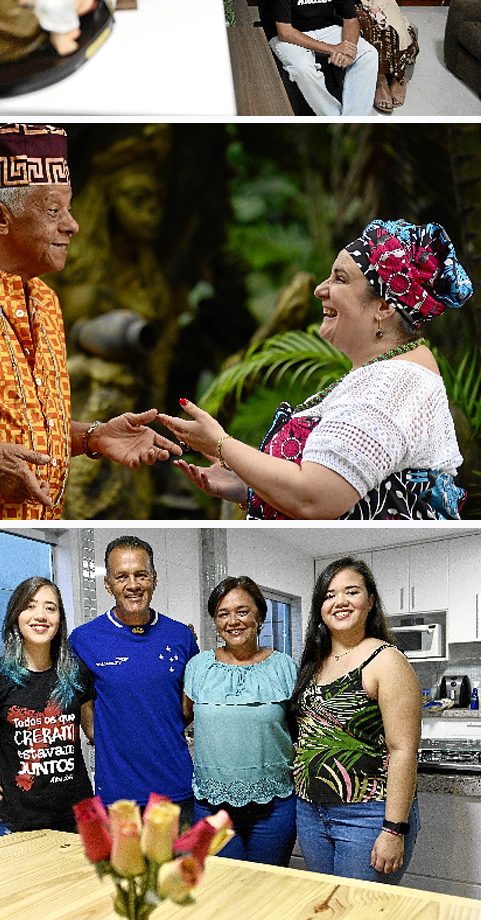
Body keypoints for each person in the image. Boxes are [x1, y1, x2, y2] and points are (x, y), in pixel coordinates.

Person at [0, 124, 180, 521]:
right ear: (0, 218)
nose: (72, 225)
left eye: (69, 208)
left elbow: (27, 431)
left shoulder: (45, 299)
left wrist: (93, 437)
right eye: (53, 211)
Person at [159, 218, 473, 523]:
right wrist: (248, 485)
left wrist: (219, 443)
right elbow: (342, 487)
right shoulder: (383, 374)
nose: (320, 290)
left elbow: (315, 498)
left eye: (340, 279)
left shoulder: (392, 385)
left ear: (384, 306)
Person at [289, 558, 422, 883]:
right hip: (310, 812)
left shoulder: (386, 660)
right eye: (330, 594)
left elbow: (403, 749)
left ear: (370, 600)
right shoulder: (314, 662)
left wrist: (393, 829)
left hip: (367, 814)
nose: (340, 602)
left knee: (359, 912)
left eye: (352, 591)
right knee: (330, 906)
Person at [69, 537, 199, 824]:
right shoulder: (83, 639)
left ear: (154, 579)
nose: (133, 585)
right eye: (121, 576)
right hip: (117, 797)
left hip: (175, 790)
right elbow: (81, 707)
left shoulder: (181, 637)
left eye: (141, 575)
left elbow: (188, 708)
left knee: (178, 870)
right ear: (107, 583)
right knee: (120, 871)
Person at [0, 577, 94, 840]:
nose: (41, 615)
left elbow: (95, 733)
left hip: (80, 819)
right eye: (30, 606)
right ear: (16, 616)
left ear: (60, 619)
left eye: (50, 608)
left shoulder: (76, 673)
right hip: (17, 823)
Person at [183, 576, 297, 865]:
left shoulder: (285, 667)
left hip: (274, 806)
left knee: (268, 893)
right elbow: (183, 718)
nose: (233, 621)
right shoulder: (198, 667)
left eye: (242, 611)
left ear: (259, 615)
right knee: (223, 893)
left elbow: (300, 731)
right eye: (223, 614)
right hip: (212, 806)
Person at [266, 0, 378, 116]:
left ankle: (354, 120)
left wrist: (347, 46)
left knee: (368, 54)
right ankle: (333, 118)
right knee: (304, 68)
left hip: (326, 28)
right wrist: (333, 49)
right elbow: (284, 31)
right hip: (290, 34)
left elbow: (350, 19)